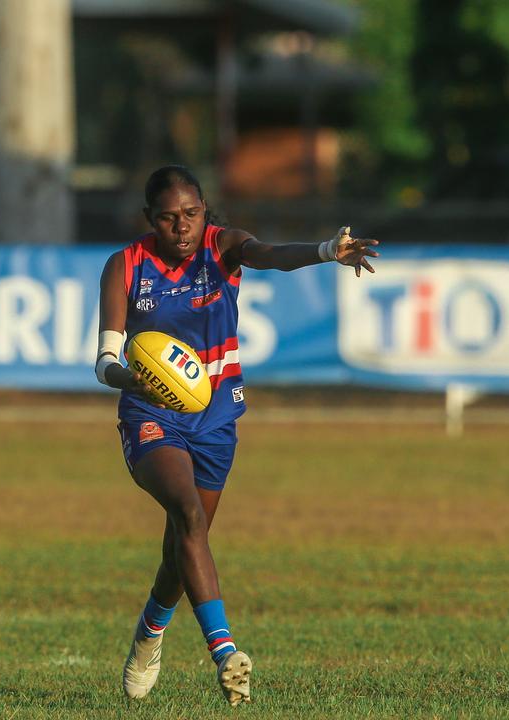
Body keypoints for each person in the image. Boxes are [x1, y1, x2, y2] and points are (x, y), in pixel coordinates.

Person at [98, 165, 377, 706]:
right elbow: (105, 360)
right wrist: (129, 377)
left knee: (182, 546)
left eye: (191, 214)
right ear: (149, 220)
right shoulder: (125, 265)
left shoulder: (223, 248)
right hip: (149, 414)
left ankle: (150, 633)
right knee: (188, 515)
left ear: (206, 210)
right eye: (167, 217)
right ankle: (226, 653)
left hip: (217, 421)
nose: (181, 227)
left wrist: (325, 250)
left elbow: (270, 254)